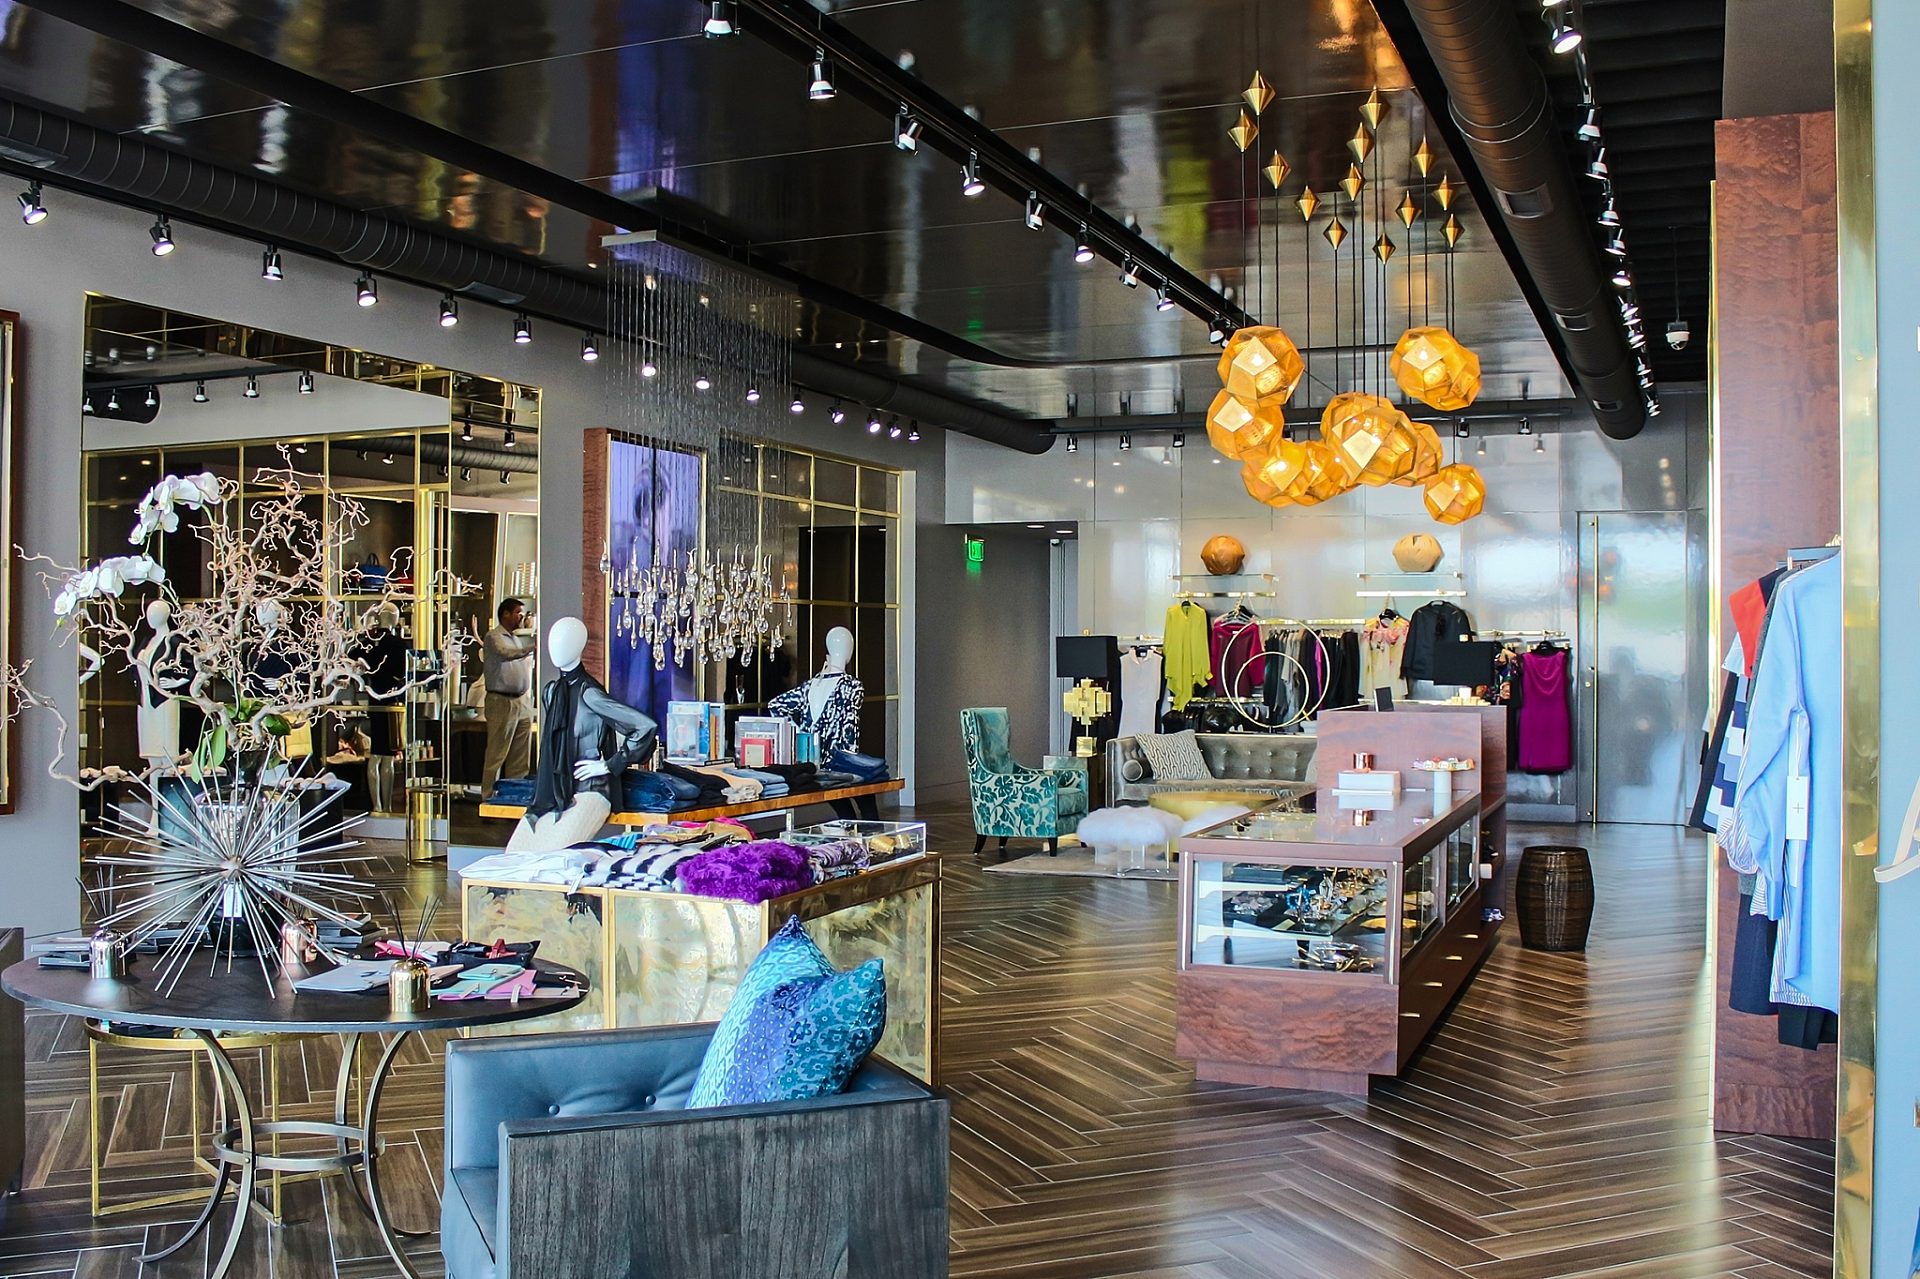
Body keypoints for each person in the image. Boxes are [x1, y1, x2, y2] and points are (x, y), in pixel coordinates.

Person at [480, 598, 538, 797]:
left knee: (520, 756)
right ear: (505, 614)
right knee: (497, 753)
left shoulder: (516, 638)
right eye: (517, 613)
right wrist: (530, 649)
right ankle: (488, 796)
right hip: (501, 701)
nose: (521, 617)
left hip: (521, 701)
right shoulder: (494, 637)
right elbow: (504, 653)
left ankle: (515, 796)